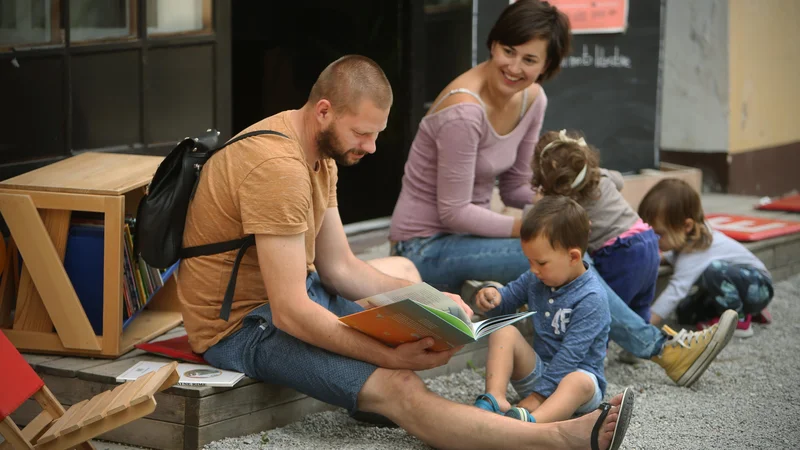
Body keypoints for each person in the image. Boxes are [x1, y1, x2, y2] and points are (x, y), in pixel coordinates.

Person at [176, 54, 632, 450]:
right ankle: (556, 438)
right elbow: (291, 312)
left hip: (288, 296)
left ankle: (377, 395)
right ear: (323, 110)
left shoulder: (315, 152)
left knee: (405, 291)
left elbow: (339, 268)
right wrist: (388, 357)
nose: (371, 148)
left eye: (376, 134)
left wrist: (432, 300)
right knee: (400, 384)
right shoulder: (278, 170)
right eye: (362, 134)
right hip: (239, 327)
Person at [387, 0, 736, 388]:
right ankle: (661, 349)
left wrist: (569, 207)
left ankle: (592, 348)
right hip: (423, 247)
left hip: (469, 238)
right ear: (493, 44)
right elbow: (453, 212)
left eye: (529, 59)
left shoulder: (532, 98)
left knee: (564, 246)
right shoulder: (464, 112)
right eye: (507, 51)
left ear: (547, 65)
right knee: (565, 255)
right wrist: (530, 226)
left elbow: (516, 185)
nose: (514, 68)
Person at [473, 196, 613, 424]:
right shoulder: (535, 278)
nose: (533, 270)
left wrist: (539, 396)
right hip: (538, 373)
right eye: (529, 261)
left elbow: (570, 355)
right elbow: (505, 304)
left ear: (573, 257)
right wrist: (492, 297)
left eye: (541, 263)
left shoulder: (592, 297)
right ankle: (497, 398)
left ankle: (532, 424)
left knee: (577, 381)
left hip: (576, 385)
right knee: (503, 331)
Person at [531, 129, 660, 323]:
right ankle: (636, 351)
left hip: (619, 253)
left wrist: (537, 204)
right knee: (639, 307)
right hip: (648, 241)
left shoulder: (563, 206)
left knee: (602, 312)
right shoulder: (601, 175)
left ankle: (595, 351)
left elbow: (541, 226)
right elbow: (620, 180)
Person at [638, 178, 774, 338]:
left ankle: (740, 323)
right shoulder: (689, 239)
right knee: (685, 313)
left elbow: (674, 292)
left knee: (714, 271)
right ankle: (748, 310)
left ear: (687, 226)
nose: (653, 239)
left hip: (759, 287)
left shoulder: (696, 251)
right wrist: (658, 258)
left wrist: (643, 326)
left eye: (659, 234)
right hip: (742, 287)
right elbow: (674, 256)